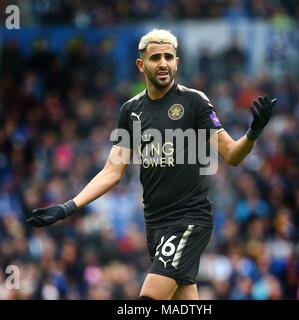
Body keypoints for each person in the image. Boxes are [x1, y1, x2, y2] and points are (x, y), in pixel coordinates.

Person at [27, 29, 277, 300]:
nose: (163, 63)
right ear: (141, 64)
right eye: (155, 57)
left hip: (189, 220)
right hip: (155, 224)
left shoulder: (194, 102)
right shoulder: (130, 111)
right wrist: (67, 207)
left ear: (177, 62)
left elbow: (231, 154)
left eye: (169, 57)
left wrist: (253, 133)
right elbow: (112, 172)